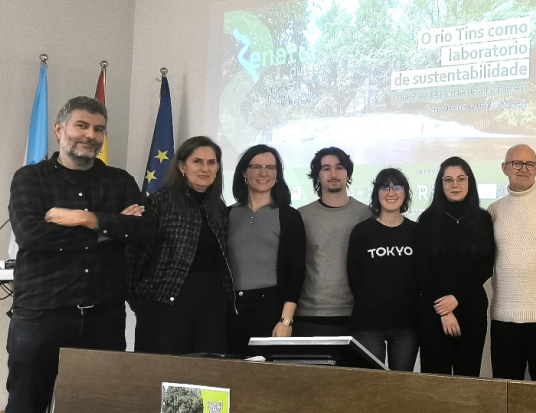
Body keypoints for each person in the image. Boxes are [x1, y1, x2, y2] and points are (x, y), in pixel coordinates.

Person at [0, 96, 152, 413]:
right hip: (40, 318)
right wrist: (108, 227)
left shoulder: (120, 181)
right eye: (82, 126)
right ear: (60, 130)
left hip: (103, 318)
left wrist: (83, 218)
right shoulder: (29, 178)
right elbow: (32, 235)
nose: (91, 135)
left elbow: (145, 230)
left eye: (98, 129)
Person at [130, 136, 234, 355]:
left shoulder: (220, 209)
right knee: (163, 372)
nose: (205, 168)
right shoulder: (160, 202)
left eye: (211, 162)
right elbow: (136, 255)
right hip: (163, 302)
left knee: (207, 372)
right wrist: (138, 299)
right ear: (182, 166)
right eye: (198, 161)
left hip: (211, 301)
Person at [487, 144, 536, 380]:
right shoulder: (494, 210)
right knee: (506, 396)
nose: (524, 169)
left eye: (530, 164)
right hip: (504, 318)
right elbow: (487, 261)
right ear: (505, 168)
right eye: (517, 163)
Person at [414, 156, 495, 376]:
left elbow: (486, 266)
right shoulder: (427, 220)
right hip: (433, 313)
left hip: (472, 310)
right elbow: (421, 269)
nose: (455, 185)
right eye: (448, 180)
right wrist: (443, 310)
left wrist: (456, 298)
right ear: (440, 185)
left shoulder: (483, 219)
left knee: (468, 381)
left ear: (470, 182)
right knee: (435, 384)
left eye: (461, 179)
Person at [226, 144, 306, 355]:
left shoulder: (289, 216)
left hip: (270, 310)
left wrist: (285, 320)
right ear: (244, 172)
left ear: (278, 175)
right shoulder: (226, 215)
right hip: (230, 311)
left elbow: (296, 272)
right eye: (256, 167)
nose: (264, 173)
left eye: (271, 168)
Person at [294, 147, 372, 336]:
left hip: (356, 313)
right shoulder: (301, 216)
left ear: (348, 173)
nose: (334, 174)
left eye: (339, 167)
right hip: (309, 313)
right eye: (326, 168)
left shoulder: (367, 215)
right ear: (317, 176)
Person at [346, 168, 419, 370]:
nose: (391, 192)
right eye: (384, 187)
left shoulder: (416, 232)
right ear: (376, 193)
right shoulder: (361, 232)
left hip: (407, 326)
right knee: (371, 388)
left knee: (401, 387)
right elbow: (354, 278)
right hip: (368, 325)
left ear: (405, 194)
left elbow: (422, 276)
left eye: (397, 187)